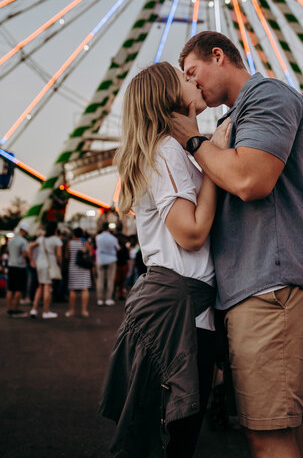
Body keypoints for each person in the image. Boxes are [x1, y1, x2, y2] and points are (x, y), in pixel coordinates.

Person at [172, 31, 303, 458]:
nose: (191, 83)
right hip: (260, 286)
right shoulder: (233, 120)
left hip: (272, 285)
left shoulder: (268, 95)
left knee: (268, 437)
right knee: (283, 430)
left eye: (192, 71)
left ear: (218, 56)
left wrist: (192, 140)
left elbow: (250, 180)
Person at [99, 62, 231, 458]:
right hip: (179, 314)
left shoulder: (167, 151)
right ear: (169, 97)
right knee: (176, 439)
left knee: (165, 436)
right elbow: (190, 233)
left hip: (177, 305)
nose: (194, 81)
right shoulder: (169, 150)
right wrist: (215, 160)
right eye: (185, 79)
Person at [29, 222, 62, 319]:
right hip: (50, 264)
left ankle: (34, 309)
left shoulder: (41, 239)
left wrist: (32, 260)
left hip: (40, 263)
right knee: (47, 286)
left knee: (40, 286)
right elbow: (59, 255)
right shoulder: (56, 240)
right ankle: (46, 311)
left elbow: (30, 246)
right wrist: (60, 264)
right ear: (55, 229)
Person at [66, 227, 93, 318]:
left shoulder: (70, 243)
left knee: (72, 289)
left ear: (73, 234)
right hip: (84, 268)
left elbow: (67, 255)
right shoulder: (85, 243)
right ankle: (84, 311)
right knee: (84, 289)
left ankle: (71, 311)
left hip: (73, 268)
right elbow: (90, 254)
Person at [6, 223, 30, 318]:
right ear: (24, 231)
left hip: (11, 265)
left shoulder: (11, 241)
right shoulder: (23, 241)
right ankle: (15, 309)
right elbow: (24, 254)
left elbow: (8, 252)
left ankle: (9, 309)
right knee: (19, 289)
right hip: (20, 266)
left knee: (10, 289)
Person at [95, 222, 119, 306]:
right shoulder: (113, 238)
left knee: (100, 280)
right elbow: (117, 248)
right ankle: (108, 299)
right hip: (111, 259)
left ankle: (100, 299)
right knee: (110, 280)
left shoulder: (98, 237)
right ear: (108, 228)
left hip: (100, 259)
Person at [114, 223, 130, 300]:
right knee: (122, 280)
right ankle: (120, 294)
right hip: (124, 261)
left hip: (116, 261)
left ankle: (113, 293)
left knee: (115, 279)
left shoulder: (113, 237)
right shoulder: (125, 238)